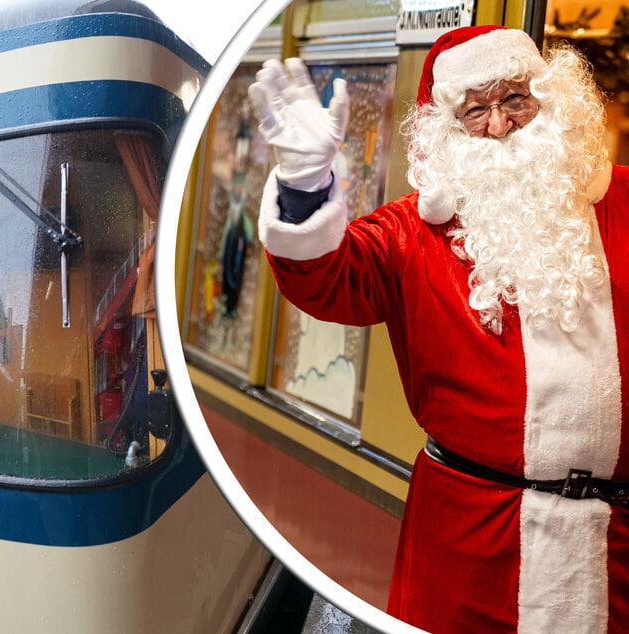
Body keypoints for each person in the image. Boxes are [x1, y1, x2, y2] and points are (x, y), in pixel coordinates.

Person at [248, 24, 629, 632]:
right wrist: (303, 187)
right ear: (449, 129)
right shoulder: (411, 233)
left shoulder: (623, 202)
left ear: (551, 100)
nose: (500, 125)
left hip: (617, 550)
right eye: (476, 111)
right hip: (468, 541)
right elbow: (326, 279)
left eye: (515, 99)